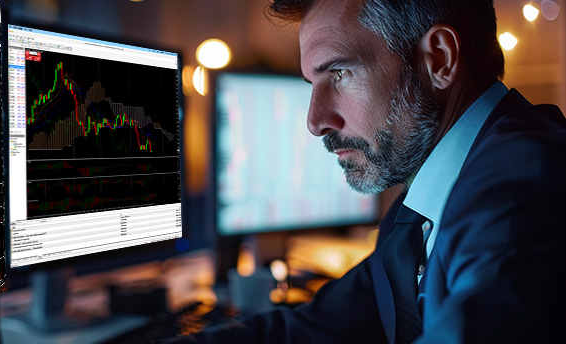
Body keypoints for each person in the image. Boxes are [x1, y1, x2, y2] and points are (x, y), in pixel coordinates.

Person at [167, 0, 566, 343]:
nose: (315, 120)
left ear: (439, 60)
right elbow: (313, 331)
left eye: (339, 73)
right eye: (312, 82)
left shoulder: (525, 180)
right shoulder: (418, 211)